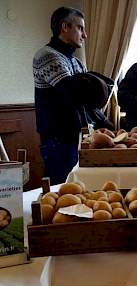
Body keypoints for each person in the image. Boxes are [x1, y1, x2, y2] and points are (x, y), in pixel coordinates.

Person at [33, 7, 113, 185]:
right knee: (60, 193)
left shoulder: (75, 62)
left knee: (81, 191)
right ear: (65, 27)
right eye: (81, 28)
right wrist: (93, 84)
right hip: (58, 141)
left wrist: (107, 125)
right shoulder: (47, 55)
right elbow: (73, 93)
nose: (85, 35)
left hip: (79, 138)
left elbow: (89, 102)